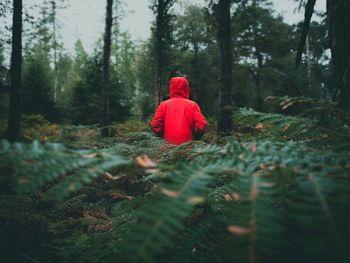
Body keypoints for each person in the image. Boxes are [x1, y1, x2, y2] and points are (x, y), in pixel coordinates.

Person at [150, 76, 207, 145]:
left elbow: (155, 125)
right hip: (186, 149)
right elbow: (202, 124)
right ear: (186, 88)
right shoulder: (193, 105)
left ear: (171, 88)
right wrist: (196, 138)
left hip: (167, 149)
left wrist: (163, 135)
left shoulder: (163, 105)